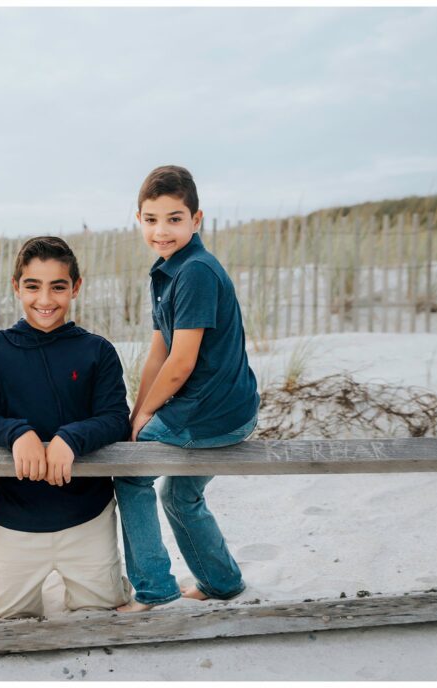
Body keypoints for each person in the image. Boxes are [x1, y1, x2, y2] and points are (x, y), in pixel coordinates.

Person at [115, 165, 259, 612]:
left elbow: (180, 364)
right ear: (138, 218)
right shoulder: (166, 271)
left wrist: (145, 423)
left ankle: (155, 590)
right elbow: (157, 354)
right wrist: (136, 415)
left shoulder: (195, 271)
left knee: (129, 474)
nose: (162, 230)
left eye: (175, 219)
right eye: (152, 219)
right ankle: (221, 582)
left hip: (208, 413)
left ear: (197, 220)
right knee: (179, 493)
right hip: (228, 407)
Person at [0, 236, 132, 619]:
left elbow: (114, 417)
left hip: (87, 516)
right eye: (33, 286)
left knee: (102, 609)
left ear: (75, 288)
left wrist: (70, 437)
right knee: (4, 616)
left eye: (58, 287)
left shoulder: (97, 350)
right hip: (16, 520)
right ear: (16, 287)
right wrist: (18, 433)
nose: (45, 299)